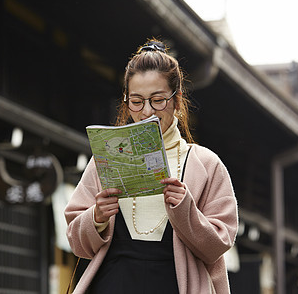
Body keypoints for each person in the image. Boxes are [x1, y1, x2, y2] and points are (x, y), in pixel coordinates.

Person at [65, 39, 238, 294]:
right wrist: (97, 217)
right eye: (136, 101)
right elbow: (76, 242)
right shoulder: (106, 155)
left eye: (158, 100)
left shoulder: (206, 164)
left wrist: (185, 209)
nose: (147, 111)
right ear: (126, 101)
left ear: (177, 100)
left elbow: (219, 244)